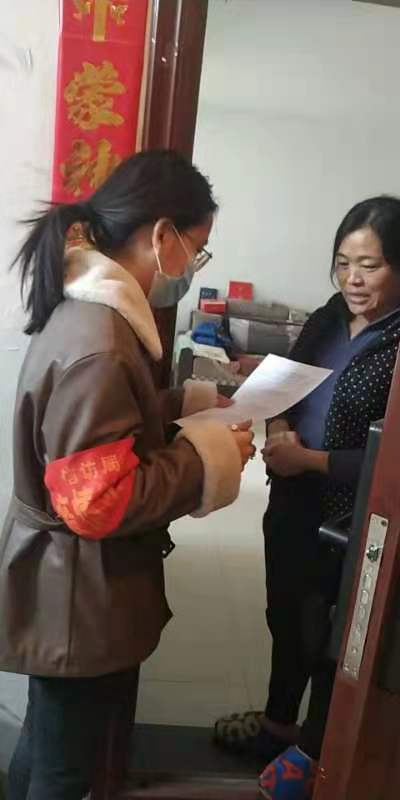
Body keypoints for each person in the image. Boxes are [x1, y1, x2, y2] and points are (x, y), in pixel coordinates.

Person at [0, 149, 255, 800]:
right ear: (161, 234)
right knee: (62, 770)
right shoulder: (102, 342)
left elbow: (99, 438)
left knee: (47, 746)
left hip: (67, 582)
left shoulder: (90, 316)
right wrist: (210, 456)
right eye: (196, 250)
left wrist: (181, 406)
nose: (191, 269)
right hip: (76, 593)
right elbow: (98, 501)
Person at [214, 196, 400, 799]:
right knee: (286, 616)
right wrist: (278, 430)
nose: (353, 279)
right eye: (344, 263)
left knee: (333, 637)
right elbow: (286, 382)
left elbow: (393, 459)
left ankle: (314, 753)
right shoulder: (329, 315)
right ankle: (276, 727)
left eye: (370, 265)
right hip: (294, 499)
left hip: (356, 519)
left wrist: (313, 460)